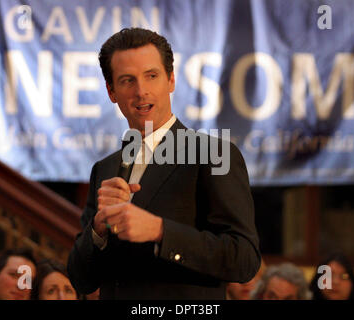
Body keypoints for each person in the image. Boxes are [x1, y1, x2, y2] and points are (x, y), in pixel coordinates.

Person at [67, 28, 261, 299]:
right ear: (111, 91)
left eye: (151, 76)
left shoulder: (213, 154)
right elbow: (81, 280)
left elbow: (244, 259)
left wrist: (160, 231)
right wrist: (98, 231)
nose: (141, 91)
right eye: (127, 80)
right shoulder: (106, 169)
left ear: (170, 80)